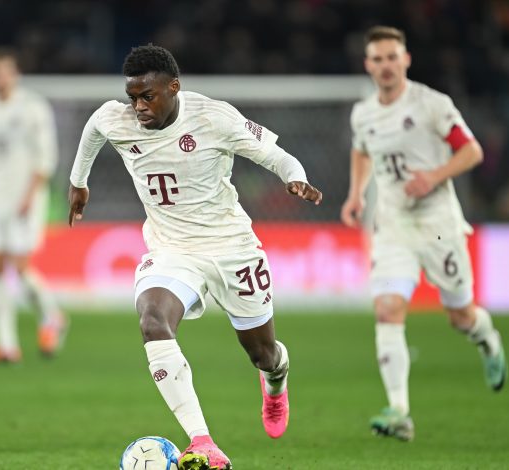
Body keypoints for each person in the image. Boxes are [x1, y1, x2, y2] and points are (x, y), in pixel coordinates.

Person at [68, 44, 322, 469]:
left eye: (147, 96)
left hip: (232, 248)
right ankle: (202, 441)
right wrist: (79, 182)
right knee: (152, 320)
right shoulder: (117, 118)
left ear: (173, 87)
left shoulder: (213, 117)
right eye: (132, 97)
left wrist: (295, 177)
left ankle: (276, 380)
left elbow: (276, 156)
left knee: (262, 353)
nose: (138, 107)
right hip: (172, 250)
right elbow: (94, 129)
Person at [341, 26, 508, 441]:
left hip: (438, 225)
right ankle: (400, 411)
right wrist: (356, 193)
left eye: (392, 57)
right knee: (387, 309)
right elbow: (361, 150)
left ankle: (487, 339)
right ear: (368, 65)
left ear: (406, 60)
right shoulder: (363, 113)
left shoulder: (432, 104)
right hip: (393, 223)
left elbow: (472, 150)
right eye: (378, 59)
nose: (386, 65)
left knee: (460, 316)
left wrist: (434, 176)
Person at [0, 48, 67, 363]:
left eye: (5, 71)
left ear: (16, 74)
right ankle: (6, 345)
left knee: (20, 267)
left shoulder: (34, 108)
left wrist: (30, 196)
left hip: (25, 198)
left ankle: (52, 316)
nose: (0, 77)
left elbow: (46, 157)